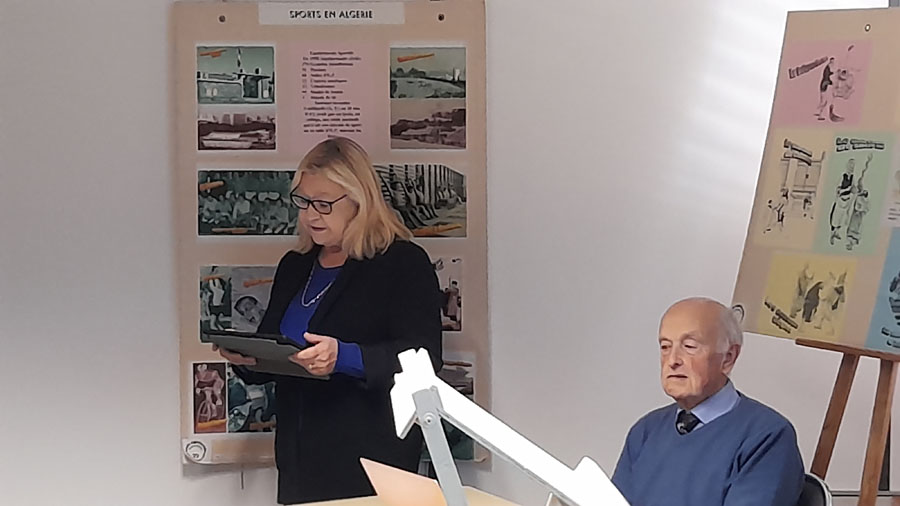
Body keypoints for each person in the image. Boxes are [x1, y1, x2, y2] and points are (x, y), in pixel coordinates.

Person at [215, 136, 443, 505]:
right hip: (299, 464)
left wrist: (344, 357)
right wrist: (247, 358)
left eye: (323, 204)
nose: (310, 215)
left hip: (372, 463)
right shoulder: (295, 266)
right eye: (303, 201)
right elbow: (276, 348)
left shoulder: (402, 263)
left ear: (359, 201)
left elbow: (425, 357)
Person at [612, 297, 804, 506]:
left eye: (689, 346)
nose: (672, 360)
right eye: (665, 347)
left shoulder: (768, 436)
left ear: (728, 357)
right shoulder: (645, 430)